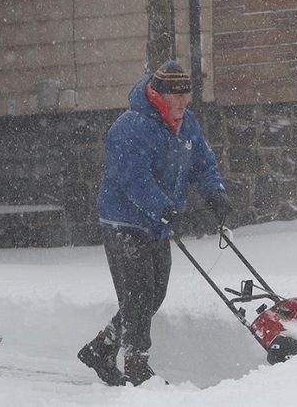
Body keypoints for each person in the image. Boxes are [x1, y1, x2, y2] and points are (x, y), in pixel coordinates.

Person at [77, 60, 232, 386]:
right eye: (178, 97)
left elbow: (203, 161)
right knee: (138, 295)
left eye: (187, 95)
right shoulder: (129, 127)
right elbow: (133, 179)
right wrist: (165, 207)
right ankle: (136, 366)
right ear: (159, 95)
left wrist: (215, 192)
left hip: (158, 222)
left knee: (154, 295)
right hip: (124, 223)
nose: (185, 102)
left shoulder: (186, 123)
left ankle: (101, 348)